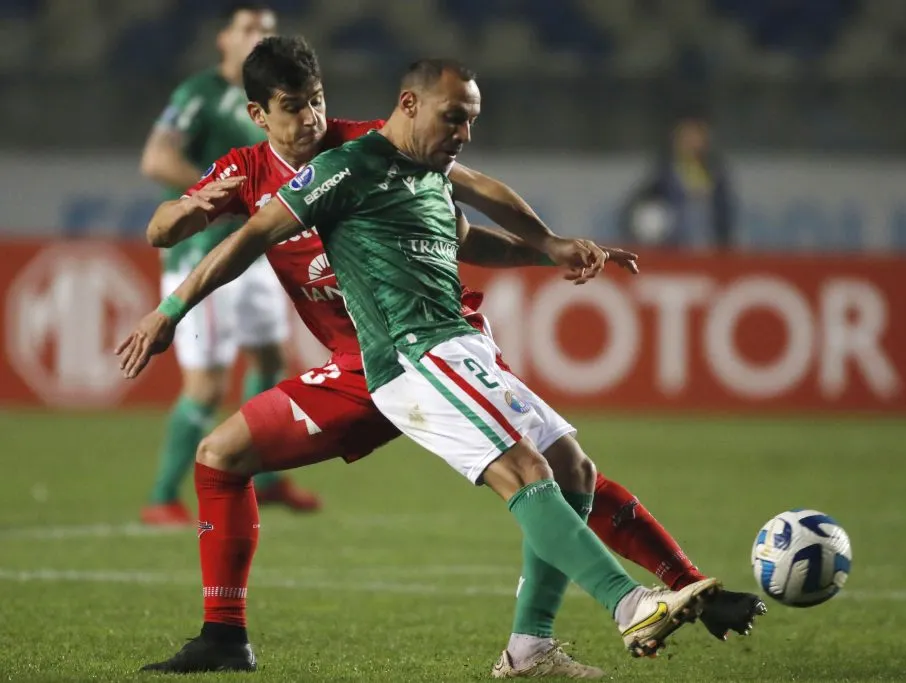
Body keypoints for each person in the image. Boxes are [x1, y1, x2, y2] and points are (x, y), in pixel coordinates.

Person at [119, 45, 764, 678]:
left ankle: (609, 615)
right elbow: (176, 232)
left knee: (567, 468)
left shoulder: (377, 146)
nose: (311, 118)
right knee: (221, 456)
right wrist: (183, 220)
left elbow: (467, 217)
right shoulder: (253, 171)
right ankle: (223, 636)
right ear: (259, 115)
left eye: (317, 101)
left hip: (433, 345)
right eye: (294, 107)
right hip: (373, 364)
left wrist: (548, 246)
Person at [138, 2, 319, 524]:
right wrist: (212, 194)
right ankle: (162, 497)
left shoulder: (276, 99)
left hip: (256, 250)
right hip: (206, 252)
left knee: (270, 358)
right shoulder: (201, 93)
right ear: (224, 38)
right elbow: (156, 158)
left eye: (267, 28)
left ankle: (266, 479)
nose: (259, 35)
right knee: (207, 385)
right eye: (248, 27)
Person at [620, 107, 734, 250]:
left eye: (698, 134)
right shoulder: (661, 175)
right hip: (673, 250)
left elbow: (725, 218)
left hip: (709, 249)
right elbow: (635, 214)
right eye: (687, 134)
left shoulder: (716, 174)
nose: (692, 141)